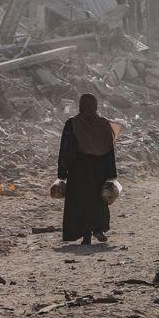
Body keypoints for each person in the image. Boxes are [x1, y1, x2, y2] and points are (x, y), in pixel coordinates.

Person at [57, 94, 117, 245]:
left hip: (79, 168)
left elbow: (66, 149)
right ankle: (98, 228)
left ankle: (86, 235)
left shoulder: (73, 124)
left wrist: (62, 172)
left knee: (80, 202)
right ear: (95, 106)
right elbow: (110, 150)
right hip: (100, 169)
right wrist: (111, 174)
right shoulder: (104, 124)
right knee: (98, 200)